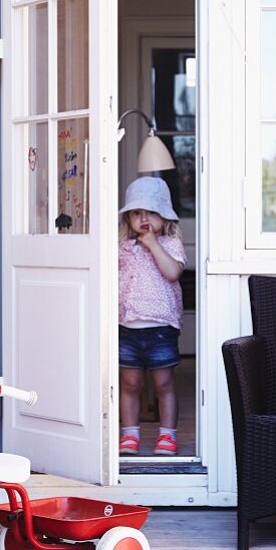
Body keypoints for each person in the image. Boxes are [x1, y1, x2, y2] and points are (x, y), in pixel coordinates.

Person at [118, 176, 186, 457]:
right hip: (127, 326)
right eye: (136, 213)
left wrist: (153, 244)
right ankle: (130, 434)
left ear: (164, 216)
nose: (143, 218)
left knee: (163, 383)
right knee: (130, 382)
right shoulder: (121, 247)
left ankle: (167, 436)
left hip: (160, 327)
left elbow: (172, 272)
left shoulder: (170, 244)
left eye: (150, 212)